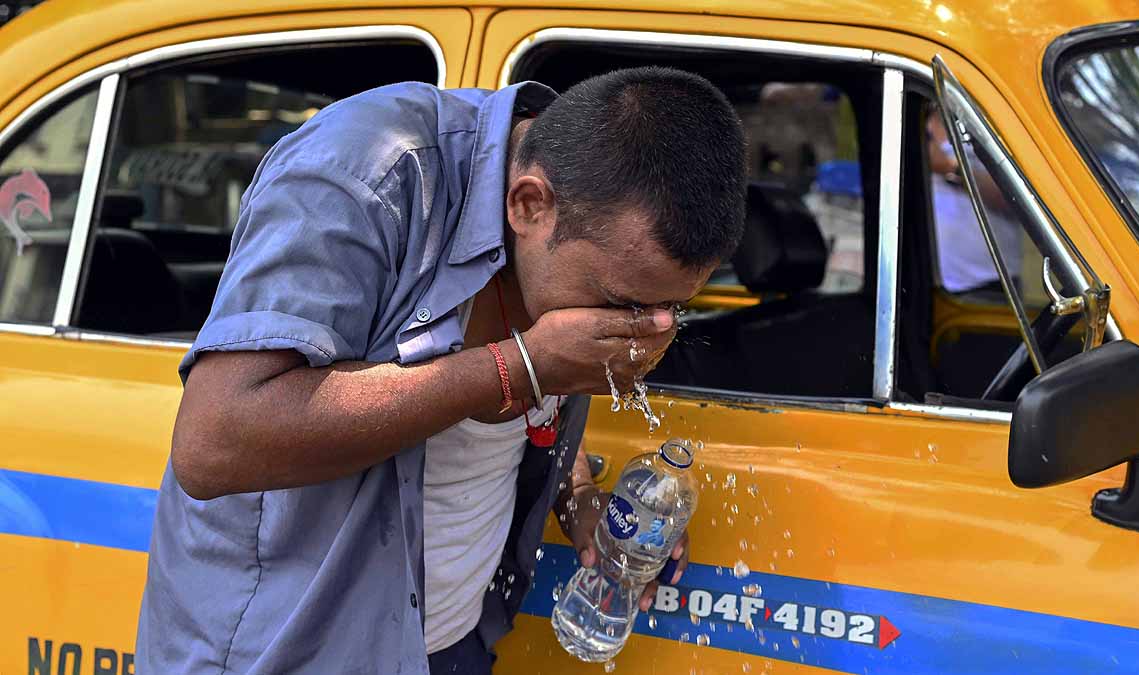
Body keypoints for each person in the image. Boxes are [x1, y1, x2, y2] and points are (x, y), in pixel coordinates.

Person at [134, 66, 748, 674]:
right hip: (290, 651)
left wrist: (579, 495)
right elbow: (213, 442)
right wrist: (521, 366)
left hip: (454, 645)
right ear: (528, 204)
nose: (650, 329)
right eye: (623, 304)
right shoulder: (368, 171)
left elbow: (522, 418)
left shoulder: (588, 204)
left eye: (673, 308)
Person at [927, 107, 1022, 297]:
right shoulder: (915, 109)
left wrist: (952, 168)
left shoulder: (995, 119)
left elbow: (1013, 199)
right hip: (931, 286)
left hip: (988, 284)